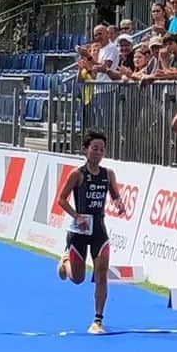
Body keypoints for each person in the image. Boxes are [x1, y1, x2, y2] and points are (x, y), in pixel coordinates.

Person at [55, 129, 126, 335]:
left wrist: (119, 204)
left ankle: (98, 320)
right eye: (94, 149)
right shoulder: (77, 175)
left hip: (99, 230)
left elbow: (115, 195)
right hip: (79, 230)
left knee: (102, 272)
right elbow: (61, 199)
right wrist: (76, 216)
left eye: (102, 149)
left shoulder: (108, 174)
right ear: (85, 150)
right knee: (78, 279)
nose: (98, 153)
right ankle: (65, 262)